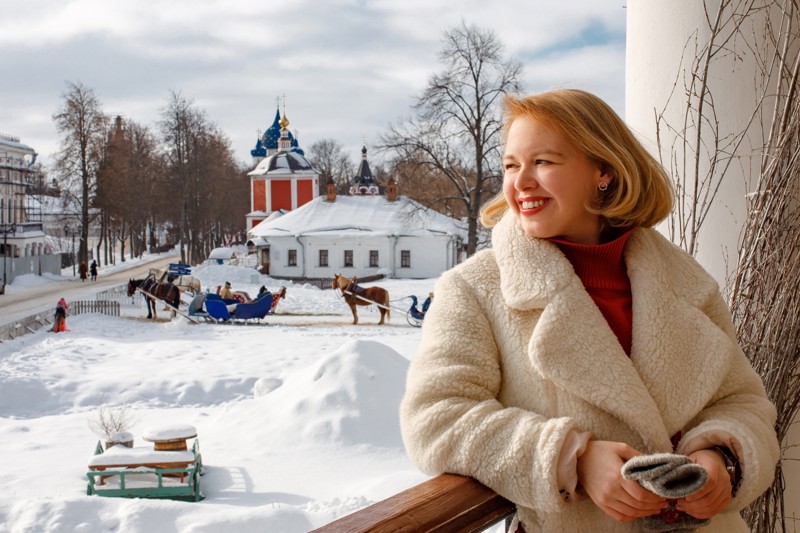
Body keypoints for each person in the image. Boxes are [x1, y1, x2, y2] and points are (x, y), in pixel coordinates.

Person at [399, 89, 779, 533]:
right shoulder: (476, 289)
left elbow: (742, 401)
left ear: (603, 170)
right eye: (510, 165)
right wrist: (571, 459)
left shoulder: (687, 282)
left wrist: (723, 459)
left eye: (542, 161)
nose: (520, 182)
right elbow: (436, 417)